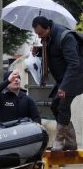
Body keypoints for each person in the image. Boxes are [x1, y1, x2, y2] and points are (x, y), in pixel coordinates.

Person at [32, 16, 83, 151]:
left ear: (48, 28)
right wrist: (38, 53)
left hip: (75, 76)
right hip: (63, 79)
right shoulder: (48, 38)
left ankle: (59, 140)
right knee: (55, 105)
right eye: (37, 34)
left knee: (62, 106)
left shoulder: (65, 37)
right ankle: (71, 142)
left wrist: (64, 87)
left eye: (40, 33)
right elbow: (54, 54)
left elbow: (74, 64)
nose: (39, 36)